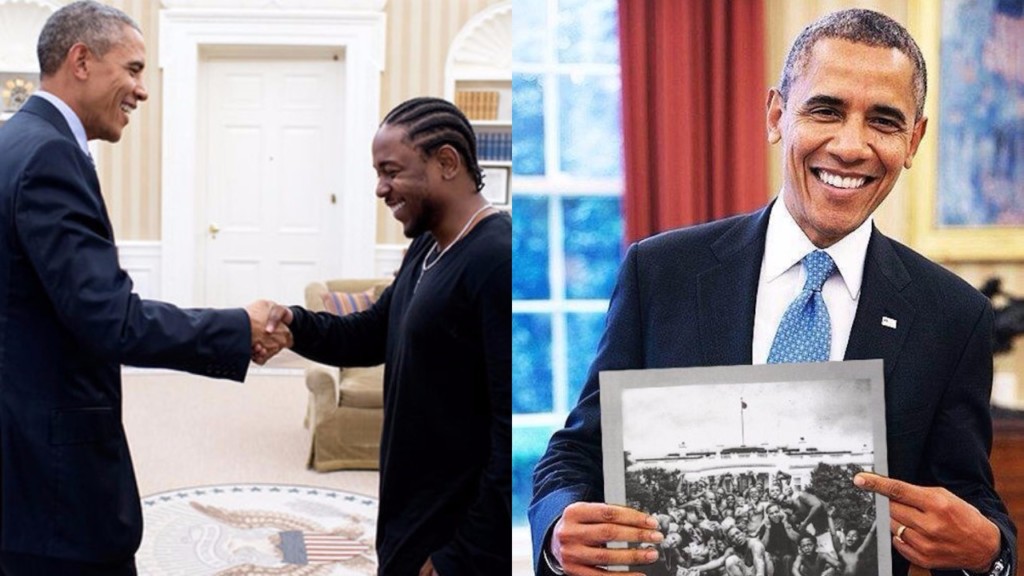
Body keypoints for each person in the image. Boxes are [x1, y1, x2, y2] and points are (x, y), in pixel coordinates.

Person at [529, 8, 1016, 576]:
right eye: (826, 110)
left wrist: (990, 554)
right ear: (777, 113)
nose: (850, 146)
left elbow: (972, 510)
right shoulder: (660, 273)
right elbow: (576, 454)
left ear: (914, 139)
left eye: (883, 121)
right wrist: (559, 531)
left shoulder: (954, 318)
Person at [0, 2, 289, 574]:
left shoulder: (16, 141)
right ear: (81, 61)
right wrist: (238, 326)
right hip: (55, 489)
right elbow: (111, 319)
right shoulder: (50, 157)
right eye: (132, 69)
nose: (142, 89)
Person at [256, 96, 511, 574]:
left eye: (391, 171)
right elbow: (372, 333)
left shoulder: (497, 259)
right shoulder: (426, 246)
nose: (381, 188)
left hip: (453, 537)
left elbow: (508, 428)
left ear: (446, 162)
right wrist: (293, 325)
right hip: (407, 513)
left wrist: (463, 554)